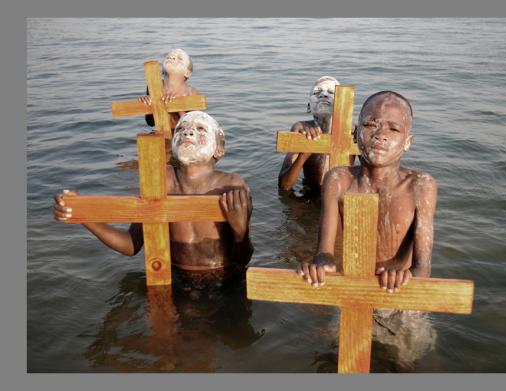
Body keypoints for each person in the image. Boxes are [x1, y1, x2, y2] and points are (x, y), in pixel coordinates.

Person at [295, 90, 438, 368]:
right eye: (372, 125)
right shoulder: (339, 179)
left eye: (393, 128)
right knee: (337, 363)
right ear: (356, 132)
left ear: (407, 141)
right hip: (355, 292)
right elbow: (324, 251)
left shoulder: (420, 186)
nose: (380, 134)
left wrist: (405, 277)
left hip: (401, 299)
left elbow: (423, 266)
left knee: (408, 364)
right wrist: (320, 266)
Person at [54, 111, 253, 287]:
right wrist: (81, 214)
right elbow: (131, 245)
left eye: (200, 129)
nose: (187, 132)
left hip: (225, 282)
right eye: (181, 128)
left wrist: (240, 233)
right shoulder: (159, 181)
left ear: (219, 149)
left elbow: (242, 259)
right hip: (175, 281)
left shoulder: (231, 186)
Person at [278, 76, 354, 192]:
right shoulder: (302, 129)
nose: (323, 95)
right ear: (309, 107)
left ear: (342, 103)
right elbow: (284, 186)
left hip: (341, 196)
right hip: (310, 194)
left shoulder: (353, 131)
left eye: (331, 92)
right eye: (317, 92)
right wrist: (303, 155)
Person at [138, 48, 201, 131]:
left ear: (187, 73)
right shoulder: (154, 86)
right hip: (160, 134)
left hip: (183, 135)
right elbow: (151, 122)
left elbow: (194, 126)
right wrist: (149, 105)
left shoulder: (191, 92)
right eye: (169, 56)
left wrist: (177, 106)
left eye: (179, 58)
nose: (172, 58)